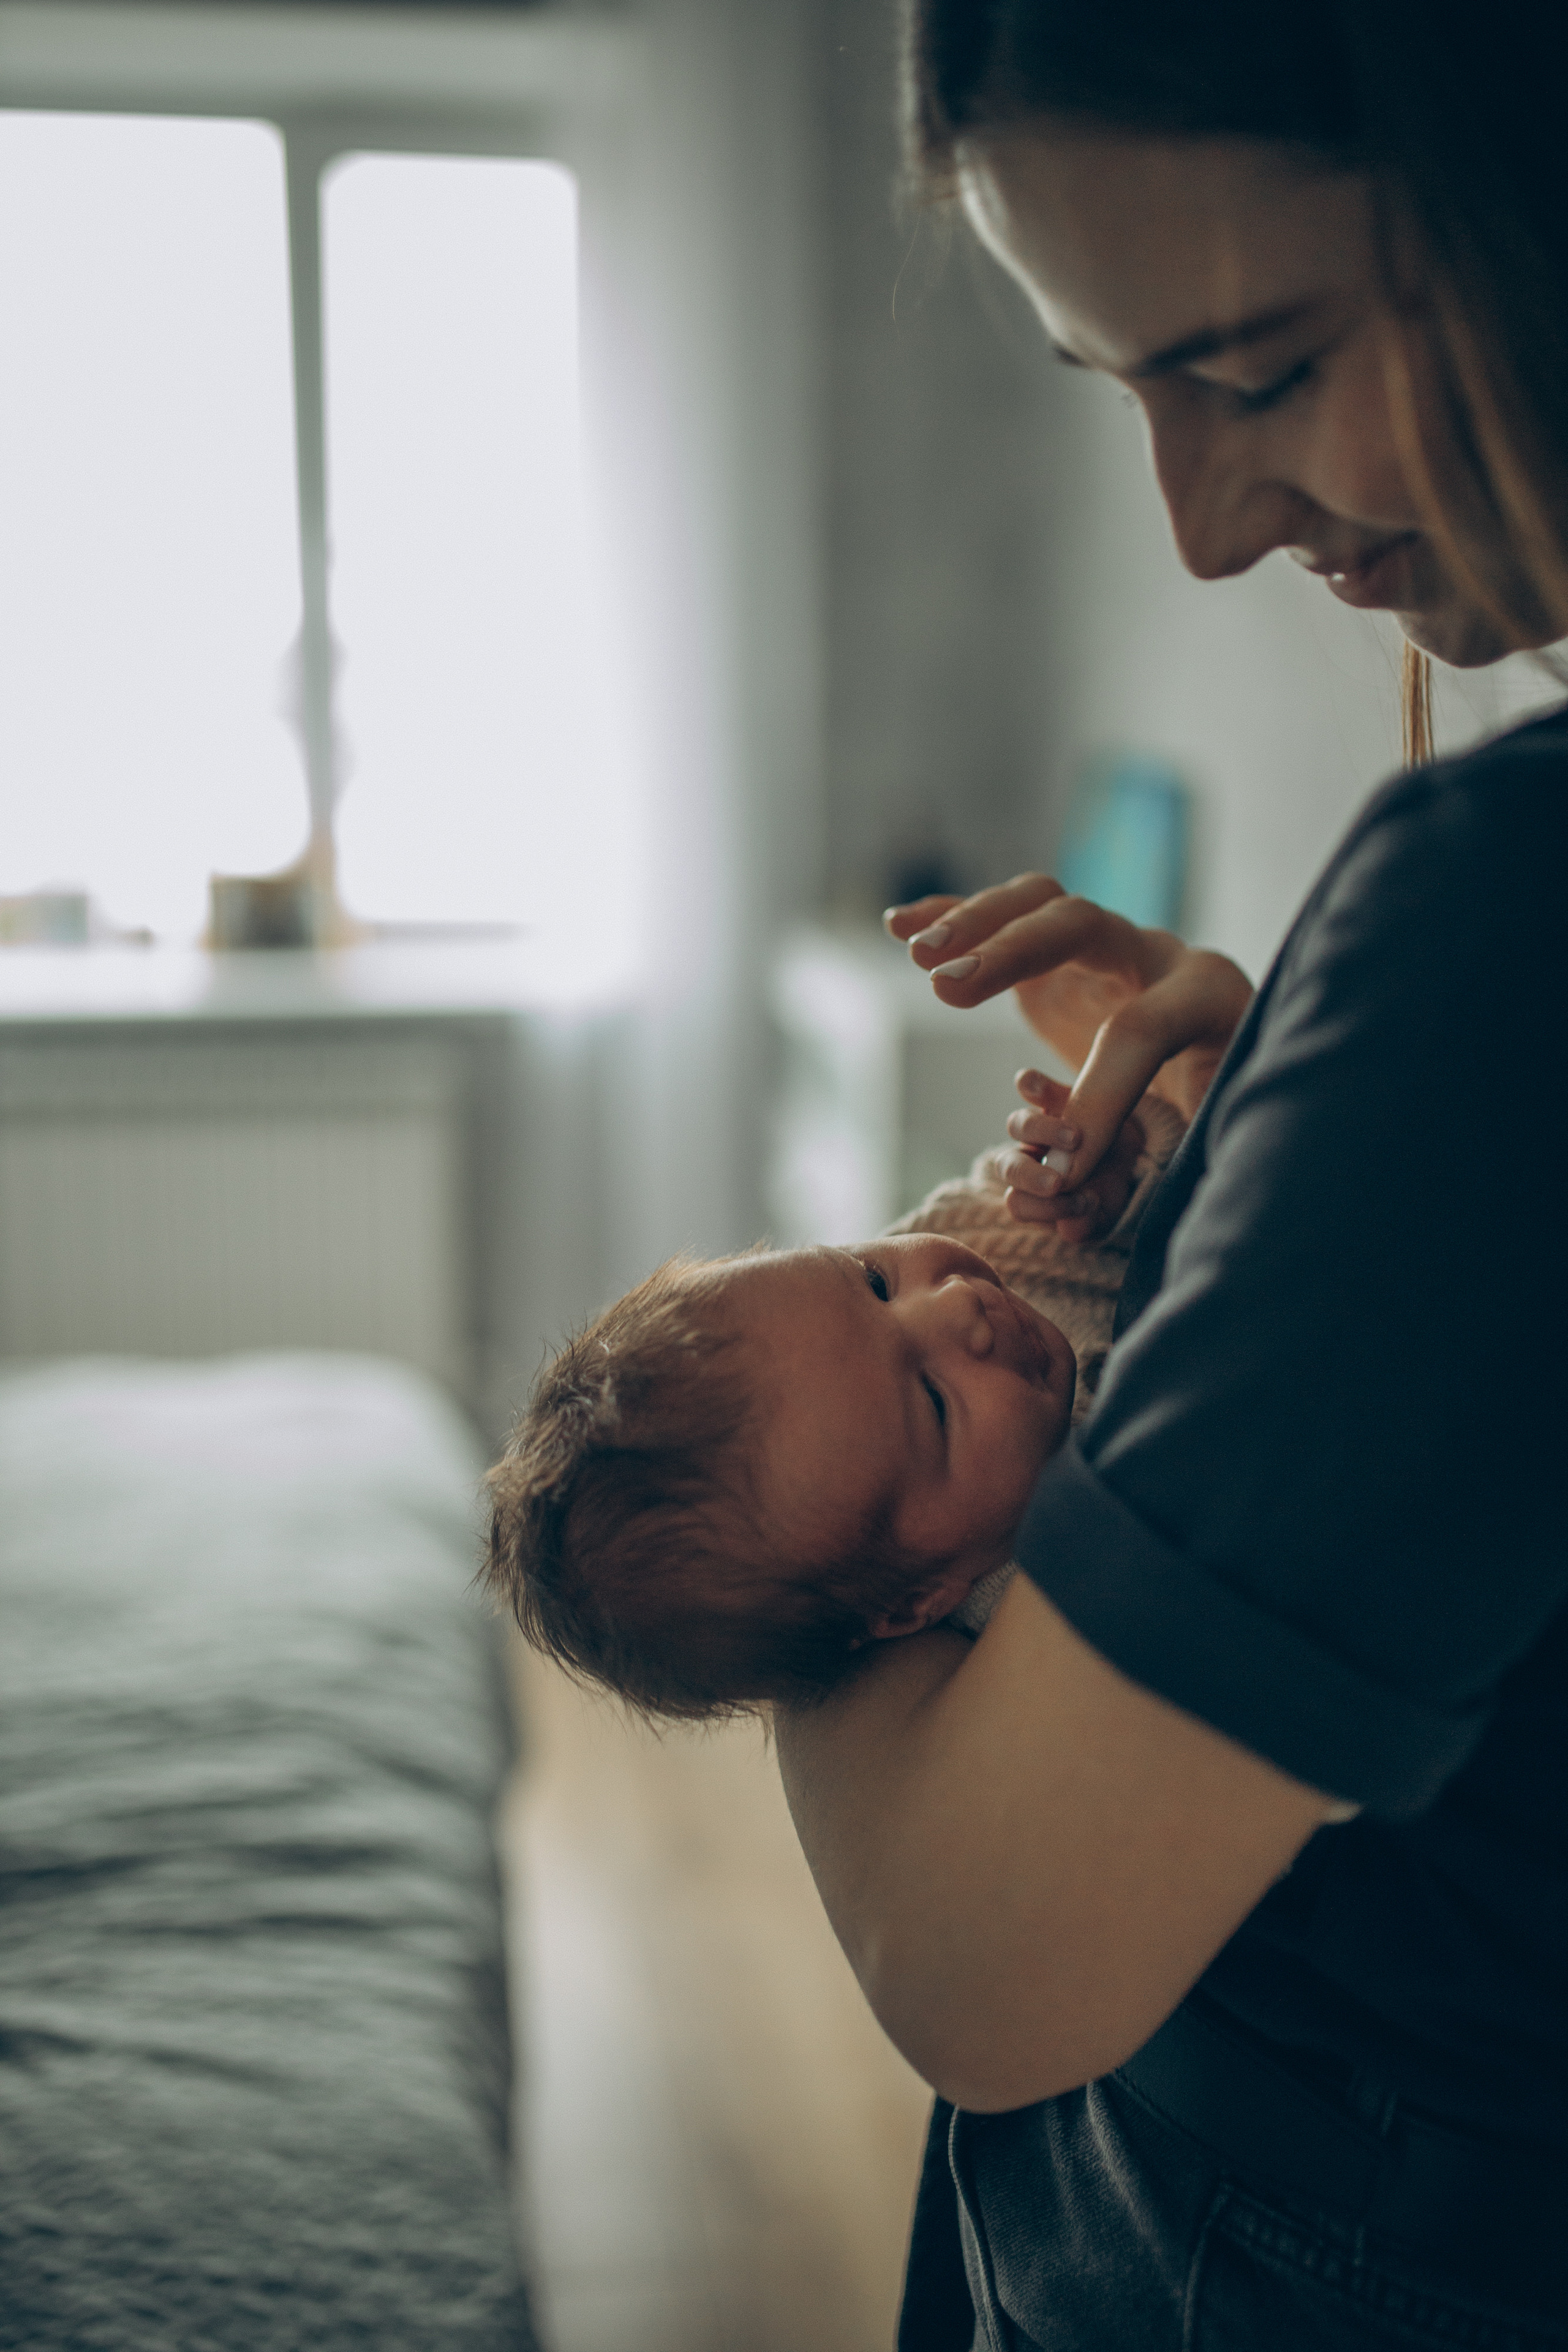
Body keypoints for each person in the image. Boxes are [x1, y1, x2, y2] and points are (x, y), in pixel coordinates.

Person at [769, 8, 1568, 2349]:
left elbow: (975, 1964)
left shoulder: (1498, 928)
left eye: (1257, 364)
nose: (1199, 532)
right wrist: (1282, 1166)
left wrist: (773, 1493)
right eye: (1116, 387)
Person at [484, 1087, 1188, 1717]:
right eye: (935, 1403)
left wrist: (1113, 1171)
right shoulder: (1050, 1601)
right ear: (916, 1600)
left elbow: (1153, 1171)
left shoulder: (971, 1246)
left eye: (873, 1281)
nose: (952, 1302)